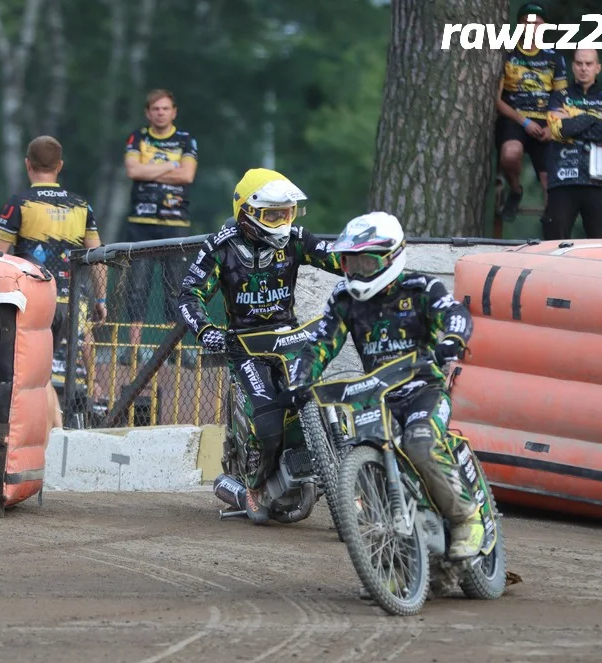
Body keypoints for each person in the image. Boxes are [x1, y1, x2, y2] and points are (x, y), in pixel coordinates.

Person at [291, 211, 485, 560]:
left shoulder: (421, 288)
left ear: (392, 257)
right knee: (359, 459)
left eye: (366, 262)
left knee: (420, 445)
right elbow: (320, 344)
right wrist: (301, 380)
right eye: (350, 263)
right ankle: (387, 559)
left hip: (422, 390)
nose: (357, 272)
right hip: (374, 399)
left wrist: (453, 339)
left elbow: (455, 313)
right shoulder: (343, 300)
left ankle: (465, 519)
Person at [176, 168, 343, 524]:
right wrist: (206, 330)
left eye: (287, 213)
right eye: (272, 215)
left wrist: (371, 274)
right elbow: (189, 293)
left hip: (292, 337)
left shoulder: (298, 238)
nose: (283, 222)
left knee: (329, 401)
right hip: (246, 345)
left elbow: (343, 260)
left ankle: (347, 485)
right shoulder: (221, 245)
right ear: (247, 212)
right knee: (268, 427)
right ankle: (252, 485)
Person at [0, 136, 108, 429]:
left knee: (33, 372)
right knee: (56, 373)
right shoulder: (81, 206)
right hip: (71, 302)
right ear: (60, 166)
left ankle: (45, 431)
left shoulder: (21, 203)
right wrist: (101, 300)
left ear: (28, 165)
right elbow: (97, 257)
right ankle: (61, 426)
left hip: (34, 302)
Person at [119, 89, 199, 366]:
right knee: (137, 286)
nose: (161, 113)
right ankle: (132, 349)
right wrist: (170, 166)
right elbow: (132, 171)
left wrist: (150, 166)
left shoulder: (186, 140)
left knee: (175, 287)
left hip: (175, 223)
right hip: (140, 223)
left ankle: (173, 348)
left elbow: (187, 174)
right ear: (148, 112)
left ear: (174, 111)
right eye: (156, 109)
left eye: (165, 108)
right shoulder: (138, 137)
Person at [496, 3, 568, 223]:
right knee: (510, 153)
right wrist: (524, 122)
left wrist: (551, 125)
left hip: (545, 121)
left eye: (537, 23)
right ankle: (516, 190)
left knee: (551, 185)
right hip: (515, 118)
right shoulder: (507, 54)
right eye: (527, 22)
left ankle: (549, 233)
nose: (532, 27)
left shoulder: (555, 57)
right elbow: (496, 101)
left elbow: (563, 99)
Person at [543, 49, 602, 240]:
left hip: (598, 181)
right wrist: (593, 118)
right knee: (553, 241)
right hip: (562, 180)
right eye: (579, 63)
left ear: (598, 68)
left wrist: (574, 118)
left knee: (601, 243)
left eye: (588, 64)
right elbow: (558, 130)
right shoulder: (559, 97)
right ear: (573, 66)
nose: (583, 68)